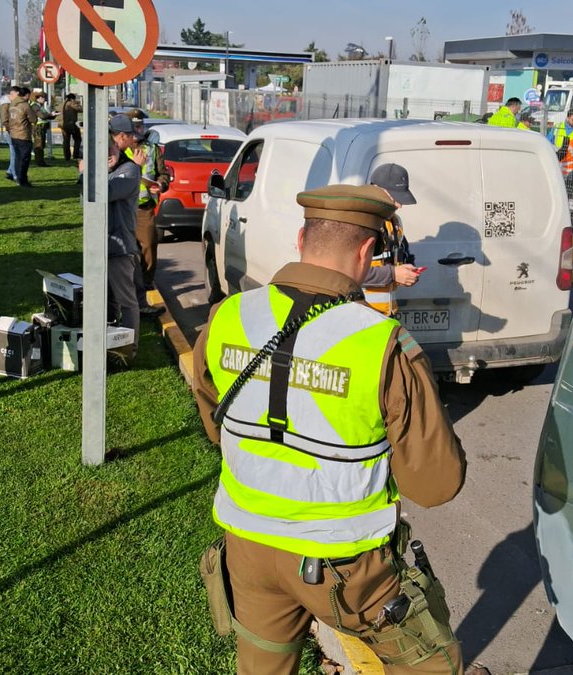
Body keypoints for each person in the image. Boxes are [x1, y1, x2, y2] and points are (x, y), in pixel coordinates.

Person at [191, 184, 467, 674]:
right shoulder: (382, 344)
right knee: (435, 665)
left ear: (301, 238)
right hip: (347, 566)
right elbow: (436, 484)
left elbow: (216, 420)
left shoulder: (228, 316)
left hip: (247, 547)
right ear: (366, 252)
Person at [102, 114, 147, 334]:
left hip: (120, 247)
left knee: (126, 300)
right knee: (109, 299)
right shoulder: (119, 165)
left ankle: (130, 346)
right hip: (109, 243)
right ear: (121, 137)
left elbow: (105, 193)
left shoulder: (129, 169)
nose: (134, 142)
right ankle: (112, 339)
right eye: (131, 136)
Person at [363, 163, 422, 316]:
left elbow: (404, 255)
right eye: (395, 197)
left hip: (387, 315)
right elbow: (348, 273)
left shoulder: (394, 223)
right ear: (376, 189)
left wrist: (408, 272)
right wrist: (394, 274)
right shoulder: (360, 224)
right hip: (360, 317)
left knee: (405, 341)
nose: (399, 205)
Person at [124, 109, 164, 317]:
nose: (139, 129)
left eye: (141, 125)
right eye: (135, 126)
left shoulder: (153, 149)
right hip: (122, 206)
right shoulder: (118, 149)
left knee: (148, 245)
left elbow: (162, 173)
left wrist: (161, 184)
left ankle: (147, 282)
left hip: (144, 207)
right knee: (127, 252)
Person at [7, 86, 37, 186]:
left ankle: (18, 178)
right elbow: (33, 119)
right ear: (27, 95)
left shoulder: (12, 104)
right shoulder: (25, 106)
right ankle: (23, 180)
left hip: (13, 134)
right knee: (25, 159)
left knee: (17, 158)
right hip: (23, 135)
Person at [31, 91, 56, 167]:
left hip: (41, 127)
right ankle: (40, 162)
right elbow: (42, 116)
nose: (45, 100)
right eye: (44, 98)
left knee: (41, 144)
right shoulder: (35, 106)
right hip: (38, 127)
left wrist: (53, 115)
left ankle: (40, 161)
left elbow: (46, 116)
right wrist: (50, 114)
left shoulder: (40, 106)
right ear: (39, 98)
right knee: (39, 145)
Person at [0, 88, 17, 181]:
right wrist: (10, 129)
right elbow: (5, 119)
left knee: (14, 152)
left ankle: (10, 171)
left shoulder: (9, 104)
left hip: (12, 130)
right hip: (11, 131)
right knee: (14, 152)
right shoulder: (6, 104)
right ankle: (14, 174)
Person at [60, 93, 83, 161]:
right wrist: (78, 103)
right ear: (73, 99)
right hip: (71, 125)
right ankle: (75, 155)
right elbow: (81, 109)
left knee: (66, 141)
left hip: (62, 125)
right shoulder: (72, 103)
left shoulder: (62, 104)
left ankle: (67, 157)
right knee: (78, 139)